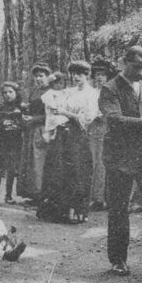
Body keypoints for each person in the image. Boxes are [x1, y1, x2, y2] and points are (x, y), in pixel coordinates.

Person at [99, 46, 142, 276]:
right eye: (137, 67)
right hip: (120, 157)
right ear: (124, 62)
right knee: (118, 209)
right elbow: (114, 119)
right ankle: (118, 261)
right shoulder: (109, 89)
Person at [38, 62, 96, 224]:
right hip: (63, 134)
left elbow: (87, 118)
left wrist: (66, 113)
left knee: (77, 171)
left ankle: (77, 211)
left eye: (80, 74)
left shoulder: (92, 94)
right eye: (73, 74)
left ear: (87, 75)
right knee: (58, 170)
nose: (76, 77)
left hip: (78, 135)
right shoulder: (68, 91)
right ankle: (59, 211)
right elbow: (49, 97)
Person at [0, 82, 25, 205]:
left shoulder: (22, 107)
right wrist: (0, 124)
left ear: (16, 93)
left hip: (16, 141)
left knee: (12, 169)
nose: (7, 95)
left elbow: (27, 123)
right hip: (1, 141)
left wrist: (18, 124)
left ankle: (8, 195)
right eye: (5, 92)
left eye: (10, 92)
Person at [18, 63, 51, 202]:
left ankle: (42, 194)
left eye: (41, 76)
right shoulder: (34, 91)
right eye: (36, 76)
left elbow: (52, 114)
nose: (38, 79)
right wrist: (26, 110)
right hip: (31, 129)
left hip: (44, 128)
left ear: (48, 77)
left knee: (40, 161)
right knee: (30, 162)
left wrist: (34, 118)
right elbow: (33, 108)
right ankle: (32, 194)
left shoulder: (52, 92)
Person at [88, 60, 112, 210]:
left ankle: (106, 198)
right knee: (94, 161)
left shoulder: (111, 92)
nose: (100, 78)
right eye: (97, 75)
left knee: (106, 161)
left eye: (103, 75)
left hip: (108, 127)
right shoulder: (91, 93)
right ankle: (96, 198)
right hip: (93, 128)